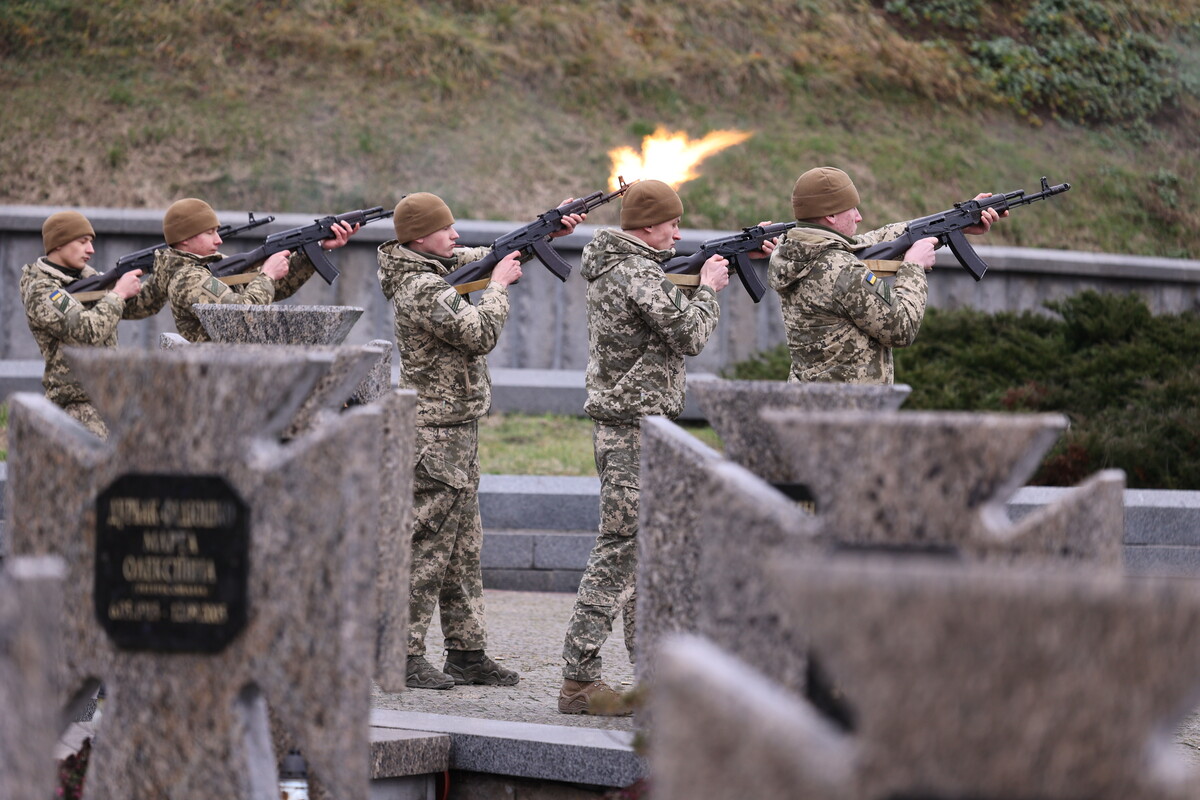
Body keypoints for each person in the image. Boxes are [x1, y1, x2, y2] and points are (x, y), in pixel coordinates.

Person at [377, 192, 584, 690]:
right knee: (426, 548)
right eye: (445, 229)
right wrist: (498, 288)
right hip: (434, 437)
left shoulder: (434, 264)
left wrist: (543, 233)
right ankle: (398, 654)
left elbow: (492, 252)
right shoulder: (420, 286)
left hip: (456, 431)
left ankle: (466, 653)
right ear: (420, 237)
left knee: (463, 551)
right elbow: (479, 332)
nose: (455, 236)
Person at [558, 180, 738, 715]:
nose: (679, 233)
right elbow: (688, 335)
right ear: (647, 226)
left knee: (646, 556)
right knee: (619, 552)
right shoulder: (636, 270)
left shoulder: (625, 265)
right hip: (633, 429)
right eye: (672, 224)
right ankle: (578, 679)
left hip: (639, 426)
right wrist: (708, 288)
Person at [768, 166, 1003, 384]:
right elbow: (902, 328)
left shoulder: (794, 250)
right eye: (853, 209)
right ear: (830, 216)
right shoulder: (843, 271)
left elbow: (869, 242)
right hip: (851, 411)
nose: (859, 217)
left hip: (812, 401)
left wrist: (953, 222)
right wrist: (913, 266)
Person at [19, 210, 173, 438]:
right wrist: (118, 293)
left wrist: (164, 275)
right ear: (59, 243)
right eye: (82, 242)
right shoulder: (43, 291)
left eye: (91, 242)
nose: (91, 250)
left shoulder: (88, 279)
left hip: (107, 397)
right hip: (76, 406)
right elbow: (86, 330)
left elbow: (139, 307)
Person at [158, 198, 357, 342]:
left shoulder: (208, 269)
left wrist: (317, 246)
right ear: (184, 238)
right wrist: (267, 274)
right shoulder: (189, 279)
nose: (218, 240)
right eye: (209, 233)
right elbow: (240, 317)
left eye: (217, 232)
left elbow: (273, 288)